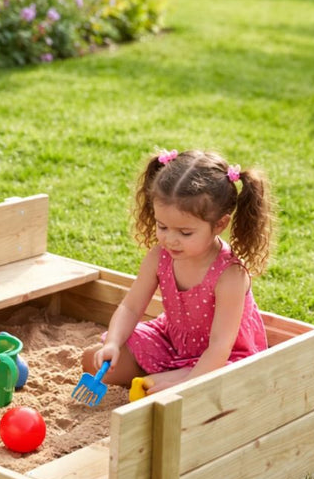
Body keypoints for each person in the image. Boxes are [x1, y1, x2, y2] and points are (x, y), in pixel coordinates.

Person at [82, 148, 273, 395]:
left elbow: (220, 347)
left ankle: (167, 379)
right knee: (93, 360)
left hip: (219, 358)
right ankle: (160, 378)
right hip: (171, 344)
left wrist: (187, 383)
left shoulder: (230, 276)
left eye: (185, 233)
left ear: (220, 224)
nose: (170, 240)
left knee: (208, 383)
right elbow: (130, 307)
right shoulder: (159, 257)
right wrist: (113, 343)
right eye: (162, 226)